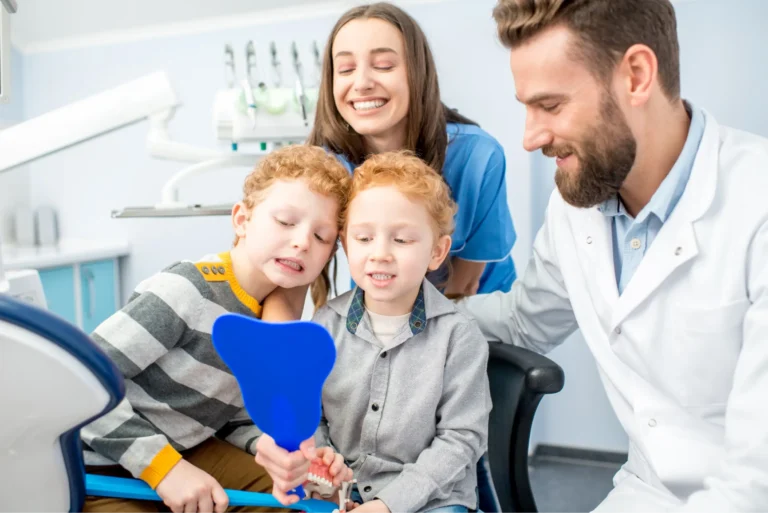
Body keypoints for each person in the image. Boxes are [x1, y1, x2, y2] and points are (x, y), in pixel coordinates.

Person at [461, 1, 768, 512]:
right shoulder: (577, 204)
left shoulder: (757, 203)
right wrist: (402, 314)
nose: (530, 136)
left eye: (551, 106)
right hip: (643, 494)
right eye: (526, 107)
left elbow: (757, 480)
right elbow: (521, 321)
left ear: (637, 75)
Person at [80, 145, 351, 513]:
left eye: (322, 237)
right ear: (241, 220)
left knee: (289, 502)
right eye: (286, 222)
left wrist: (264, 447)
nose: (302, 242)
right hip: (104, 464)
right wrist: (166, 470)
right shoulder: (186, 290)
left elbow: (227, 414)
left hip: (188, 450)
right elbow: (81, 387)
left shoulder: (270, 316)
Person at [256, 151, 492, 513]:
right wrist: (323, 463)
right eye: (364, 238)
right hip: (338, 495)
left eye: (401, 240)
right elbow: (311, 415)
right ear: (346, 244)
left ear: (437, 251)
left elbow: (461, 440)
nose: (380, 253)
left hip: (431, 501)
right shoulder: (325, 324)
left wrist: (386, 506)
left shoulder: (458, 336)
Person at [308, 2, 517, 299]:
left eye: (383, 66)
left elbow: (467, 282)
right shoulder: (330, 166)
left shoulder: (478, 157)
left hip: (473, 311)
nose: (362, 83)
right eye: (345, 69)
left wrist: (407, 336)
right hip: (383, 308)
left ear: (418, 73)